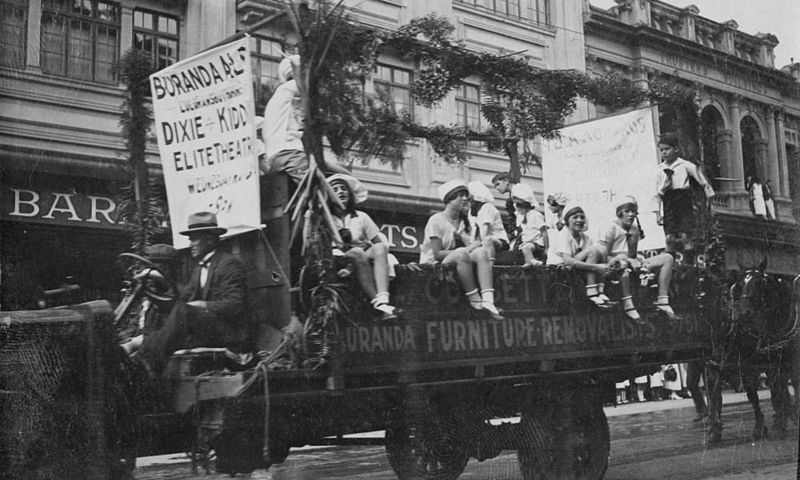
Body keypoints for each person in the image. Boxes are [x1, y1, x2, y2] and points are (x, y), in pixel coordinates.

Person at [132, 212, 248, 374]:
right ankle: (138, 357)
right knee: (164, 313)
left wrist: (202, 304)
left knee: (183, 312)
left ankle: (148, 364)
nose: (190, 243)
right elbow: (181, 299)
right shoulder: (199, 269)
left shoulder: (229, 265)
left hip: (228, 334)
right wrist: (157, 292)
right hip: (206, 330)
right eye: (190, 238)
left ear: (209, 239)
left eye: (194, 238)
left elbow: (235, 305)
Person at [420, 179, 503, 320]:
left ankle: (488, 300)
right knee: (462, 254)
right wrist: (468, 248)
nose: (465, 198)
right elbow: (437, 254)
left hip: (460, 261)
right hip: (434, 265)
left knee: (481, 252)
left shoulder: (467, 221)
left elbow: (476, 245)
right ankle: (475, 300)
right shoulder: (436, 220)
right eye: (460, 195)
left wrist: (472, 246)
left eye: (466, 195)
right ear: (450, 199)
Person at [260, 55, 348, 184]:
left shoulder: (283, 102)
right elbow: (307, 86)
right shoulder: (286, 90)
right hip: (289, 154)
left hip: (282, 157)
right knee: (318, 189)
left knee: (334, 177)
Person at [597, 196, 677, 322]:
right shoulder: (610, 228)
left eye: (634, 211)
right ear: (620, 212)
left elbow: (633, 254)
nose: (631, 214)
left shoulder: (634, 229)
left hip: (631, 263)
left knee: (667, 258)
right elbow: (602, 255)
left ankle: (662, 300)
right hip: (614, 264)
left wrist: (638, 260)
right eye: (627, 211)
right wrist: (626, 259)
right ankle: (628, 305)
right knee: (623, 263)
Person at [327, 173, 397, 318]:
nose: (340, 191)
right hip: (338, 256)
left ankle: (383, 296)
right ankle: (376, 301)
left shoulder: (361, 216)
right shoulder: (325, 219)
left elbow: (378, 241)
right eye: (335, 189)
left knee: (380, 248)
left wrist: (368, 246)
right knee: (358, 252)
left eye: (343, 188)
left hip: (361, 253)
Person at [654, 133, 715, 263]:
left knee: (685, 236)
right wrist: (657, 213)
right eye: (662, 150)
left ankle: (689, 266)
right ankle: (669, 265)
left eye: (667, 149)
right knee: (669, 237)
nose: (664, 152)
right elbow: (656, 194)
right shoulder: (659, 169)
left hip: (683, 199)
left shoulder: (685, 165)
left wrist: (710, 200)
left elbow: (702, 181)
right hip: (668, 201)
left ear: (676, 149)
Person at [119, 244, 180, 352]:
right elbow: (133, 327)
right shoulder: (145, 297)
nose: (150, 275)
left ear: (171, 270)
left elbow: (164, 334)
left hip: (155, 351)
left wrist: (133, 343)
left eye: (159, 268)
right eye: (148, 268)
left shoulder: (175, 297)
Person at [552, 204, 612, 307]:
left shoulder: (585, 238)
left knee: (602, 249)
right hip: (559, 265)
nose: (579, 220)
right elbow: (567, 260)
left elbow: (593, 256)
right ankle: (592, 292)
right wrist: (597, 267)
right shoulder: (564, 235)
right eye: (575, 217)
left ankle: (601, 291)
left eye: (582, 217)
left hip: (576, 264)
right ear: (567, 220)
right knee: (593, 250)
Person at [468, 180, 509, 265]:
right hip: (482, 240)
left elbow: (484, 229)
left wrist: (480, 244)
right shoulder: (472, 211)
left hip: (498, 240)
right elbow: (475, 231)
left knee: (488, 240)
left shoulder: (487, 207)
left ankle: (490, 265)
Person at [510, 183, 548, 266]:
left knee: (526, 248)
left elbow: (544, 232)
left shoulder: (535, 215)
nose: (516, 207)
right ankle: (529, 262)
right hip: (526, 243)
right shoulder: (520, 216)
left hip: (537, 243)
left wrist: (546, 248)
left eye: (518, 205)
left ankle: (532, 262)